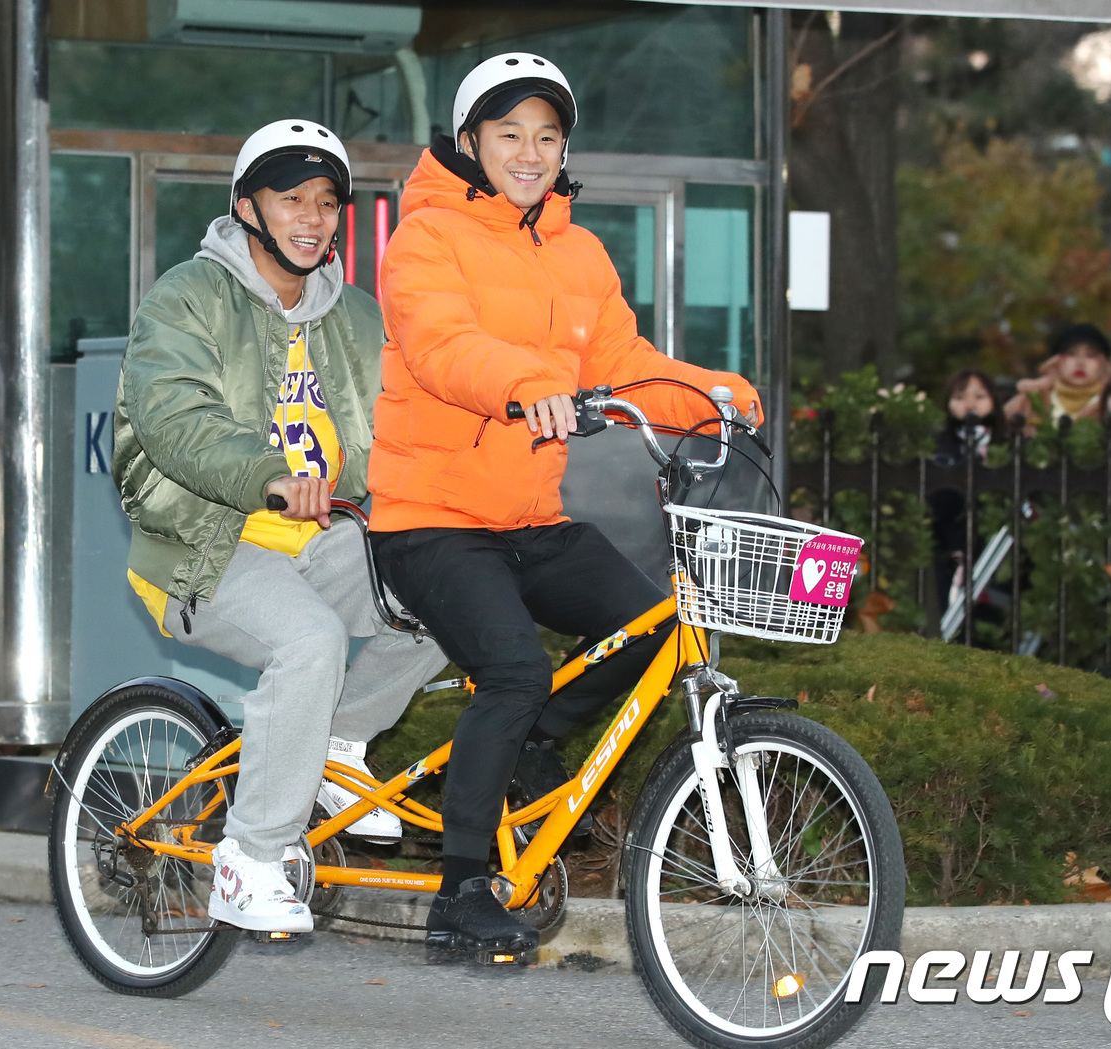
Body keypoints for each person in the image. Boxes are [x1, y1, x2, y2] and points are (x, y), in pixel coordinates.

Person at [366, 53, 760, 952]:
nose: (531, 152)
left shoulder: (576, 250)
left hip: (527, 518)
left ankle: (530, 742)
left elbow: (624, 364)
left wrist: (713, 393)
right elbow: (441, 345)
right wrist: (526, 383)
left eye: (547, 136)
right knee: (511, 666)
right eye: (509, 134)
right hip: (430, 519)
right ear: (470, 143)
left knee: (653, 621)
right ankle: (460, 885)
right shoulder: (426, 237)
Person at [112, 119, 445, 934]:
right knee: (309, 642)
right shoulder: (188, 297)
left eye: (327, 202)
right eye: (291, 198)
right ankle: (251, 859)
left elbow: (407, 422)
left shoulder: (354, 317)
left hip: (320, 545)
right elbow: (174, 419)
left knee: (453, 588)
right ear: (247, 207)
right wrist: (266, 472)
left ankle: (337, 742)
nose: (312, 217)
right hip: (203, 545)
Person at [928, 369, 1000, 619]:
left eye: (979, 396)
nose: (970, 404)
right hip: (947, 549)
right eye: (960, 397)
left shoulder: (1008, 444)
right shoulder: (936, 445)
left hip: (997, 550)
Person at [1003, 322, 1111, 427]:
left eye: (1091, 355)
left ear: (1103, 363)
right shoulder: (1028, 401)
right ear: (1055, 361)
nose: (1080, 363)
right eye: (1071, 354)